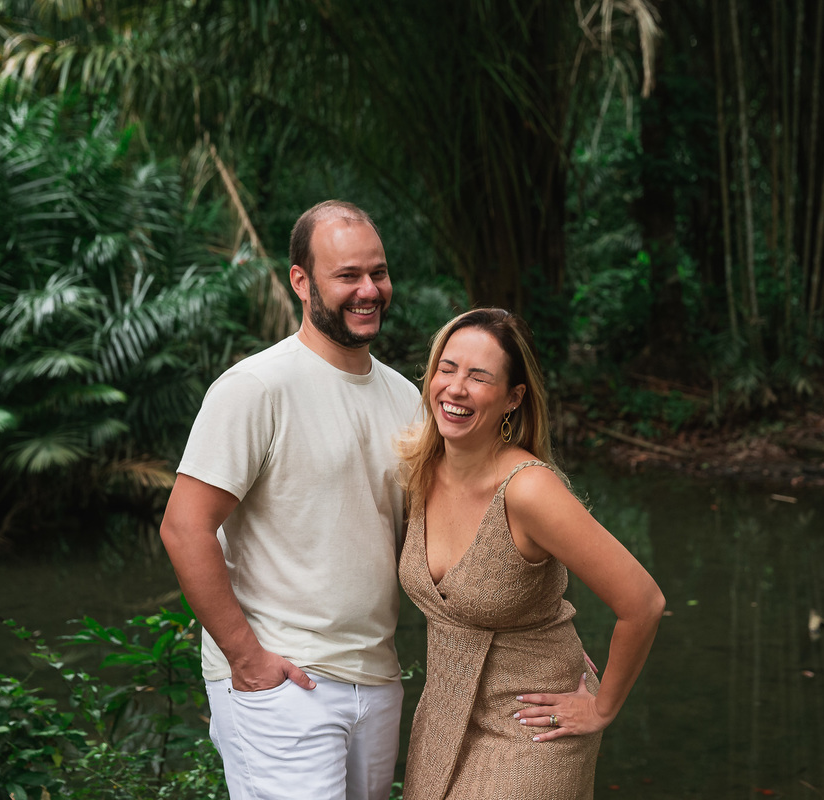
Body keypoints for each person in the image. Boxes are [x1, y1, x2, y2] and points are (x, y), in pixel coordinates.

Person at [158, 200, 420, 800]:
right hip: (284, 681)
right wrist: (246, 658)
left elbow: (430, 544)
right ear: (301, 281)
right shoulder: (256, 388)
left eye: (377, 273)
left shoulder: (407, 398)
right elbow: (183, 528)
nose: (368, 290)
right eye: (347, 276)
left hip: (377, 677)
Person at [397, 308, 666, 800]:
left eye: (479, 377)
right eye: (447, 368)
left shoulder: (529, 491)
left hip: (533, 725)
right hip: (443, 720)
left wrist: (602, 706)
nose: (456, 388)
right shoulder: (420, 468)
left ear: (512, 399)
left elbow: (642, 602)